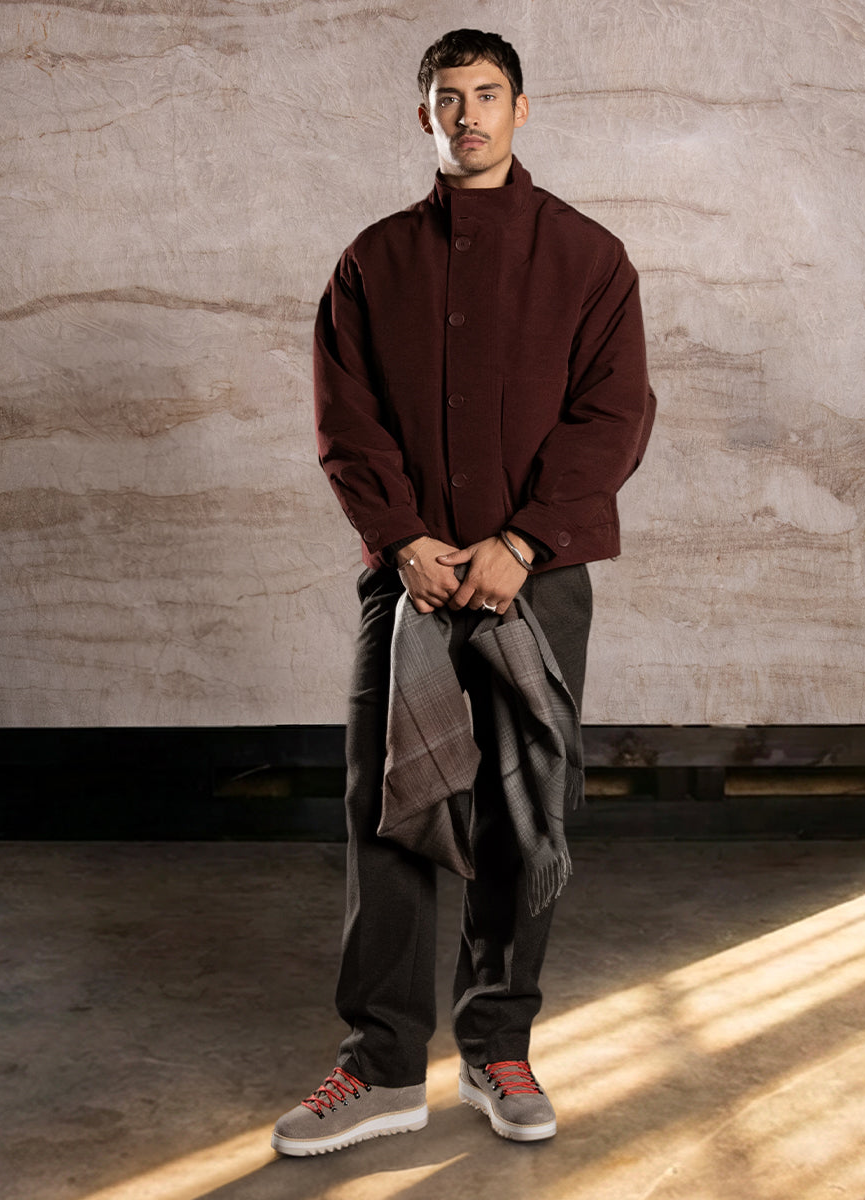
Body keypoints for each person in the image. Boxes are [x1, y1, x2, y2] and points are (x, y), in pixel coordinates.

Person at [272, 28, 656, 1156]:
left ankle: (499, 1048)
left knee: (524, 808)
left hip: (537, 582)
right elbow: (347, 421)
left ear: (521, 111)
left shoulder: (589, 258)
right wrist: (403, 543)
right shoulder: (372, 262)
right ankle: (383, 1067)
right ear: (424, 116)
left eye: (488, 95)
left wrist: (524, 542)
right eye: (448, 98)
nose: (469, 115)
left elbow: (614, 415)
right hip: (411, 584)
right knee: (390, 807)